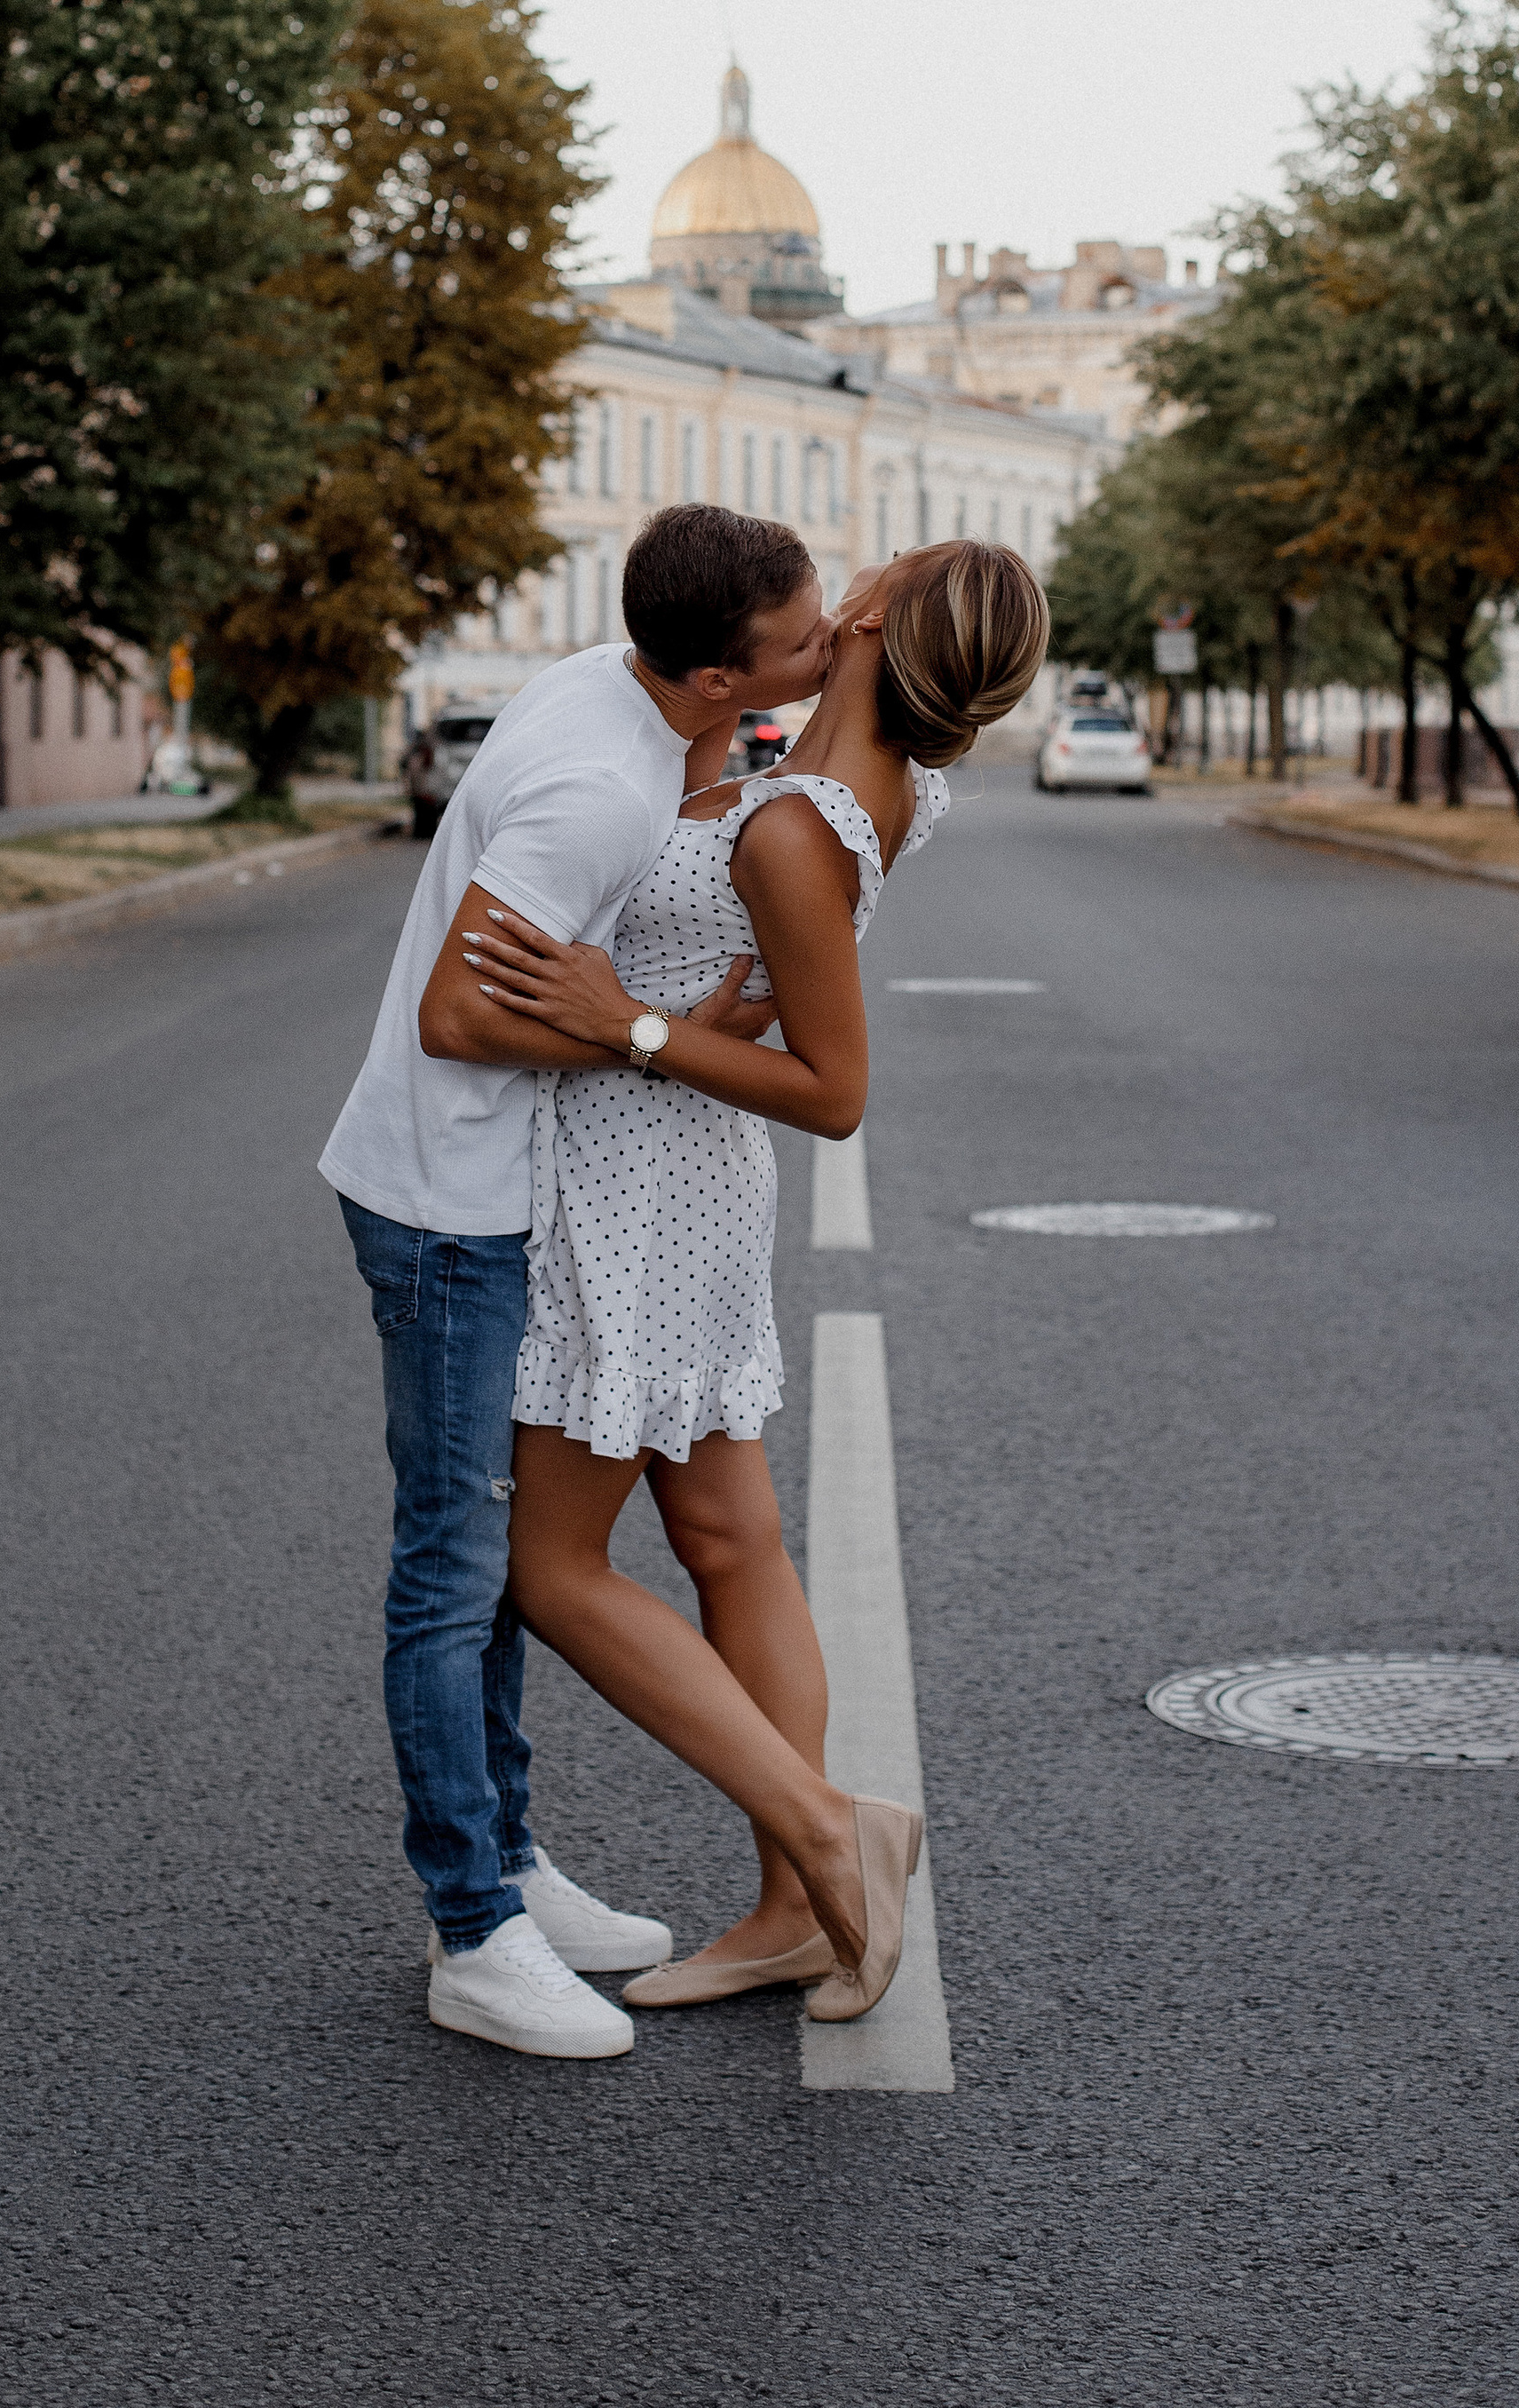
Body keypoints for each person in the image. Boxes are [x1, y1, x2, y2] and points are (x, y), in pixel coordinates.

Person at [450, 542, 1049, 2022]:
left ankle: (828, 1834)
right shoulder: (845, 783)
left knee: (556, 1571)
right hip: (690, 1181)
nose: (853, 563)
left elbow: (836, 1089)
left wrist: (627, 1024)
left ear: (864, 619)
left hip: (645, 1185)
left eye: (880, 563)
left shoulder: (800, 826)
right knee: (730, 1540)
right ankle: (796, 1909)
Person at [319, 505, 836, 2060]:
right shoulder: (599, 790)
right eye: (801, 644)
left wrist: (658, 997)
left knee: (482, 1567)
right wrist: (635, 1030)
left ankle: (515, 1866)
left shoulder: (620, 696)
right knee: (453, 1572)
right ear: (700, 676)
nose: (822, 656)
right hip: (450, 1207)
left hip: (493, 1194)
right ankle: (472, 1932)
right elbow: (458, 1019)